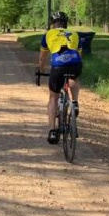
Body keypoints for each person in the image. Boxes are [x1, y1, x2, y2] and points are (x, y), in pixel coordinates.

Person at [36, 11, 82, 144]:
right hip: (75, 64)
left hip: (58, 67)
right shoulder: (75, 34)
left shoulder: (48, 35)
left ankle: (52, 130)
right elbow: (80, 55)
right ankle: (75, 102)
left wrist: (42, 69)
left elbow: (42, 57)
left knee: (53, 97)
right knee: (74, 78)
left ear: (53, 24)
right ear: (65, 23)